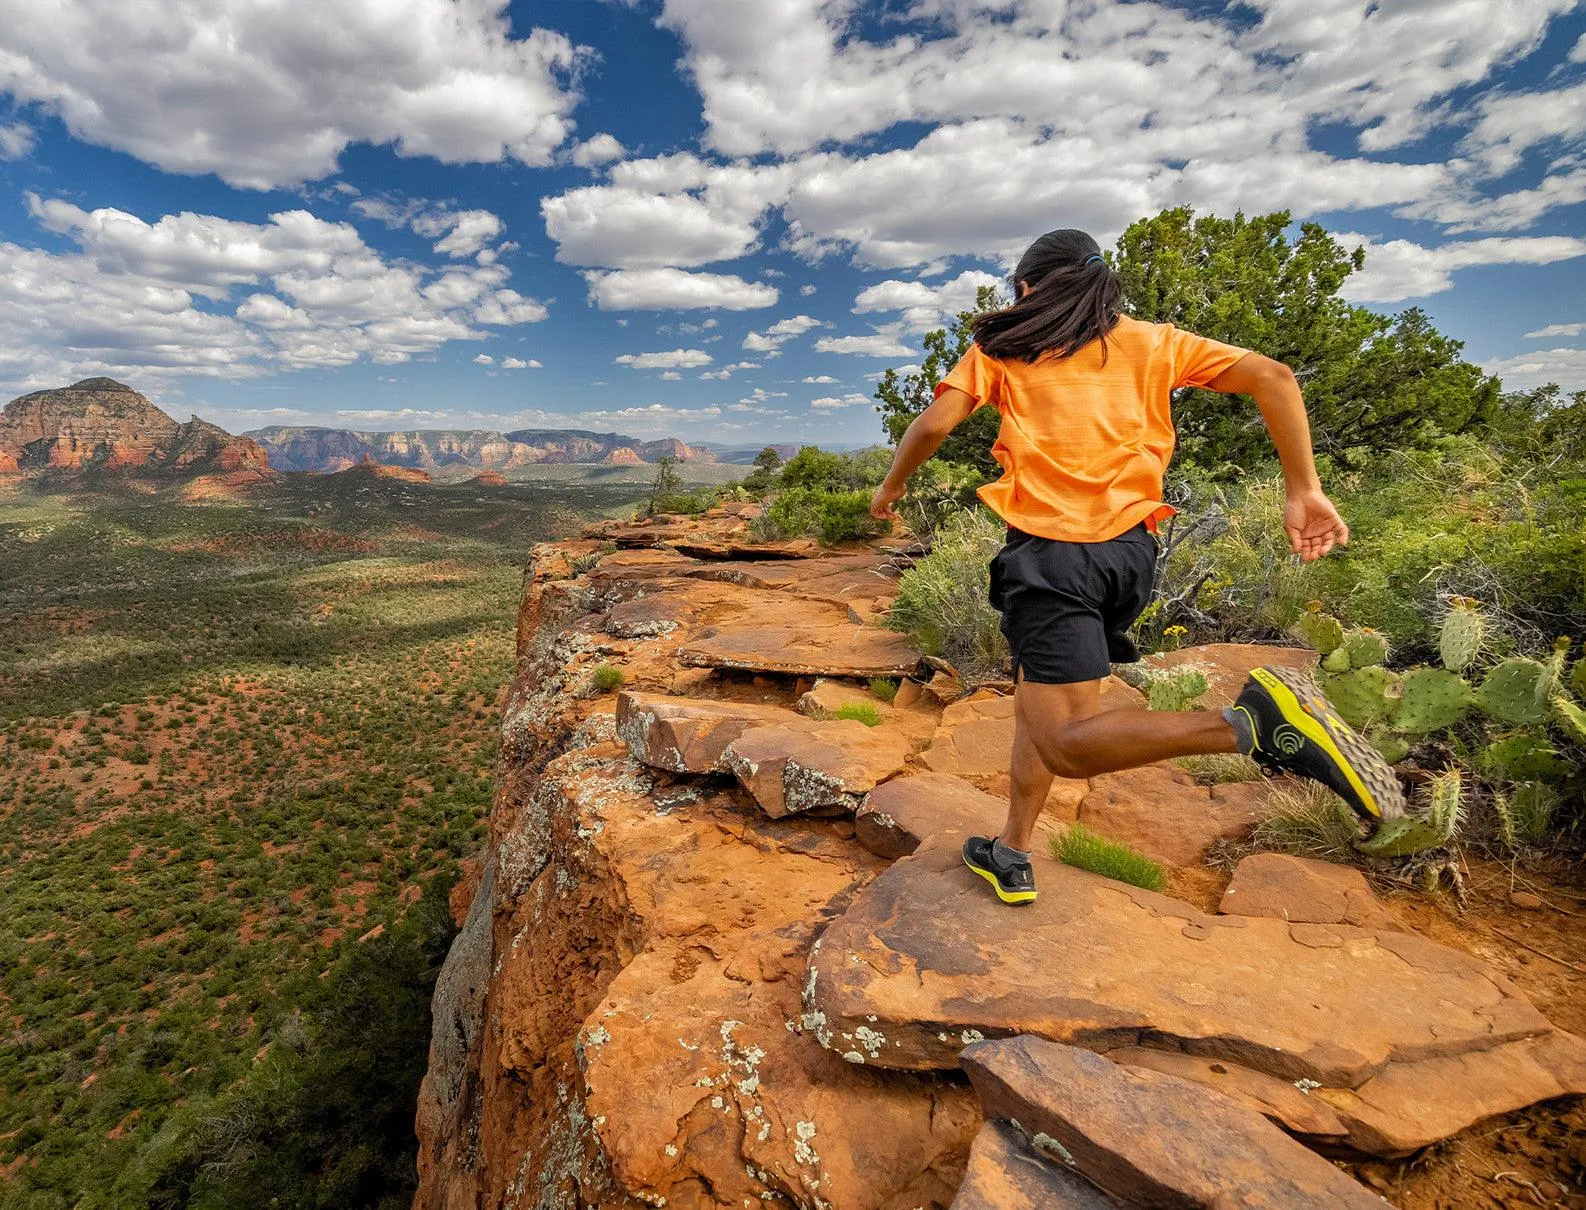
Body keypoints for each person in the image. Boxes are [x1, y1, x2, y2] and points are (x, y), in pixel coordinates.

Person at [869, 228, 1405, 906]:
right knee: (1043, 707)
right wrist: (1304, 488)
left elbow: (934, 425)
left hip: (1051, 556)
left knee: (1066, 741)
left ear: (1029, 288)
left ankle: (1252, 725)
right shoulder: (1156, 342)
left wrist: (890, 488)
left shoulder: (1003, 348)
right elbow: (1274, 376)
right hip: (1128, 556)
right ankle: (1012, 849)